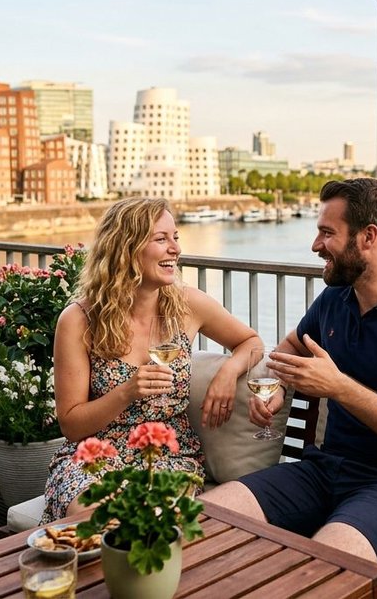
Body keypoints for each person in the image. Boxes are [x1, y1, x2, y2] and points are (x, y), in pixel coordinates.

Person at [201, 178, 377, 569]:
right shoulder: (335, 298)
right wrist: (277, 387)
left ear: (368, 237)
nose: (315, 245)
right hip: (326, 470)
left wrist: (339, 387)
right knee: (200, 520)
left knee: (320, 569)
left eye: (327, 233)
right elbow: (291, 347)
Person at [40, 198, 262, 524]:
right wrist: (125, 392)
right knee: (96, 516)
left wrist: (229, 371)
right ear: (126, 248)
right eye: (161, 239)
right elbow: (71, 425)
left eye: (176, 237)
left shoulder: (187, 305)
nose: (175, 249)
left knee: (139, 519)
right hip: (95, 456)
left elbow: (251, 342)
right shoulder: (79, 320)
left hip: (167, 455)